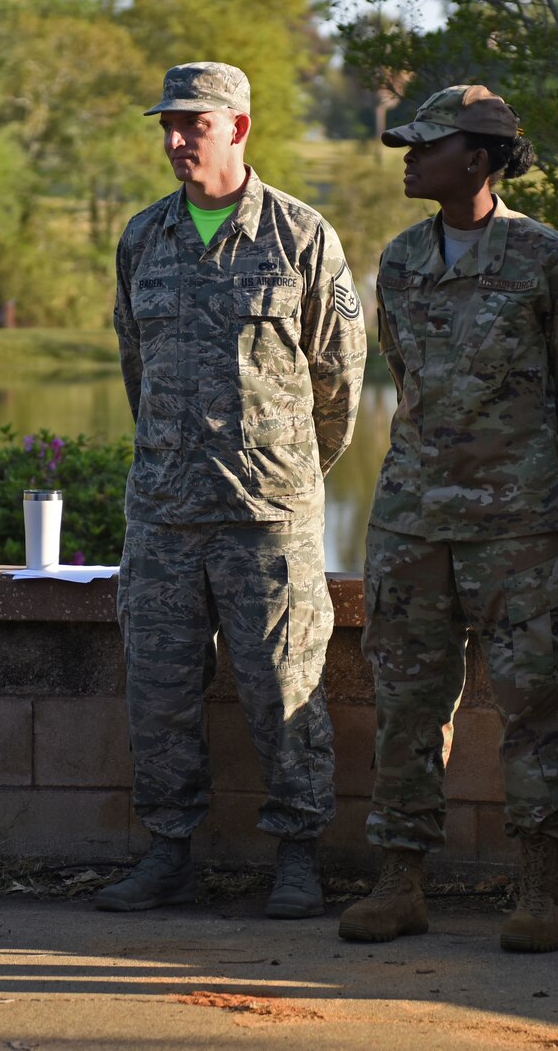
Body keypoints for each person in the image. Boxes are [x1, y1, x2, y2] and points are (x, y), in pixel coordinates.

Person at [334, 86, 558, 953]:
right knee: (407, 704)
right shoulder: (401, 260)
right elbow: (404, 375)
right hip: (413, 520)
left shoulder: (549, 259)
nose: (409, 159)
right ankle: (401, 879)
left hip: (518, 525)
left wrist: (542, 493)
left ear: (482, 160)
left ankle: (540, 885)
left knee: (533, 703)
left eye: (429, 145)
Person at [97, 61, 367, 919]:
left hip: (268, 519)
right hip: (166, 516)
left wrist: (285, 476)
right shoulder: (143, 238)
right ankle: (168, 851)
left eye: (194, 126)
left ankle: (297, 856)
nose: (177, 141)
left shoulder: (302, 236)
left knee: (286, 689)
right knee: (159, 689)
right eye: (168, 126)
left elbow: (340, 384)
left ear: (238, 128)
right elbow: (135, 366)